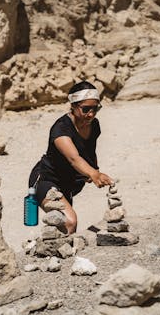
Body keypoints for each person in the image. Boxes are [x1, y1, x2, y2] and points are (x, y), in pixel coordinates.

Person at [29, 81, 113, 234]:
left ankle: (63, 255)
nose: (91, 114)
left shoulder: (94, 125)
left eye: (96, 108)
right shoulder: (61, 129)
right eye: (86, 109)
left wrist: (94, 169)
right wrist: (93, 174)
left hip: (67, 184)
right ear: (73, 106)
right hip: (46, 180)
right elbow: (73, 158)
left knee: (68, 228)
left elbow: (89, 150)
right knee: (69, 221)